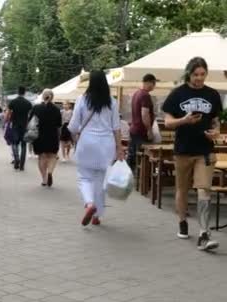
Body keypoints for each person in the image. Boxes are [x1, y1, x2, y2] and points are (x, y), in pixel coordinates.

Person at [163, 57, 221, 251]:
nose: (199, 78)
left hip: (205, 149)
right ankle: (182, 222)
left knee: (204, 189)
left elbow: (216, 121)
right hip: (183, 149)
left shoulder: (212, 94)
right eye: (196, 74)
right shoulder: (177, 94)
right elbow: (167, 123)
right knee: (182, 189)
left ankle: (204, 233)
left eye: (203, 74)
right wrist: (184, 120)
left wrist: (216, 132)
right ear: (189, 73)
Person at [69, 71, 124, 226]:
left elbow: (73, 126)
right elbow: (116, 127)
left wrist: (76, 139)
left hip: (87, 142)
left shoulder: (82, 99)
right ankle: (98, 215)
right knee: (100, 180)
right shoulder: (112, 102)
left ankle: (89, 204)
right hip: (107, 144)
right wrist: (119, 148)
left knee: (84, 177)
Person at [31, 89, 62, 186]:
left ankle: (44, 179)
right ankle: (50, 173)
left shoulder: (36, 108)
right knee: (52, 156)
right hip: (52, 136)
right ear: (52, 97)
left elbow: (31, 122)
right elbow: (59, 125)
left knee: (42, 157)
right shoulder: (57, 109)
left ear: (42, 96)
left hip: (39, 136)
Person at [127, 74, 157, 172]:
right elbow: (145, 114)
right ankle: (143, 180)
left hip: (134, 129)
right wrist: (149, 130)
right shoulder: (145, 95)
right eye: (153, 83)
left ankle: (129, 178)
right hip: (141, 131)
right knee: (144, 157)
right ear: (148, 82)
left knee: (133, 156)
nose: (154, 86)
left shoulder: (136, 94)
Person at [7, 86, 33, 171]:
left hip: (15, 126)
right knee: (23, 145)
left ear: (18, 92)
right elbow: (30, 115)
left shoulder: (13, 102)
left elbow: (9, 112)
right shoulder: (28, 103)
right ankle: (22, 165)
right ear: (24, 92)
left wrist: (7, 121)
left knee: (14, 143)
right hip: (24, 126)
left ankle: (16, 159)